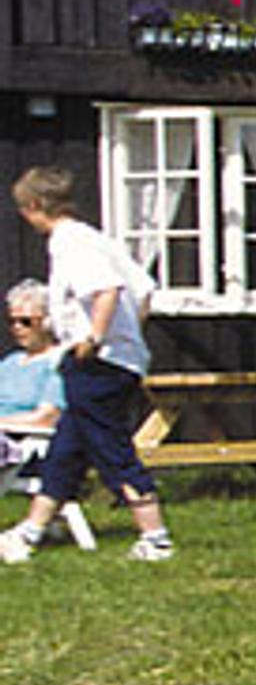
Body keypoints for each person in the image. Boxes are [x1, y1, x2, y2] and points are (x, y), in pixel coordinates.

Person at [2, 168, 174, 564]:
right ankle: (29, 532)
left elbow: (107, 290)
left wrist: (94, 338)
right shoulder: (97, 239)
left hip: (97, 363)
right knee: (67, 446)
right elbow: (143, 290)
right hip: (121, 360)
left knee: (111, 448)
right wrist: (131, 339)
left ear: (33, 207)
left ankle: (156, 537)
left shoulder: (70, 244)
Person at [0, 281, 96, 551]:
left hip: (25, 444)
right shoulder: (10, 363)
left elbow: (46, 418)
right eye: (13, 321)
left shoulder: (57, 363)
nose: (17, 328)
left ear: (47, 322)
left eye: (26, 321)